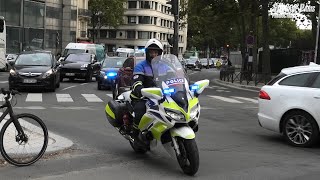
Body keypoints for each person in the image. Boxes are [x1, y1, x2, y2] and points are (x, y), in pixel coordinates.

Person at [130, 39, 163, 141]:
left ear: (159, 53)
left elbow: (173, 78)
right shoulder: (141, 66)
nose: (153, 54)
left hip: (160, 96)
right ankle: (135, 134)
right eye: (151, 52)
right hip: (143, 97)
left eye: (155, 52)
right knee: (140, 111)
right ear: (147, 53)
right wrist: (139, 89)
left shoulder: (164, 66)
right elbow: (136, 81)